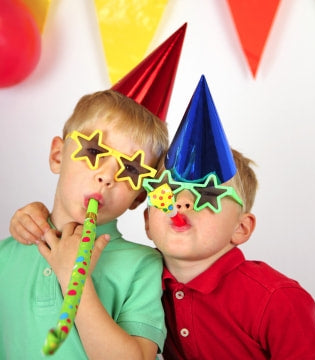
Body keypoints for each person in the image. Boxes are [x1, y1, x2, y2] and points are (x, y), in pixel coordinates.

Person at [8, 75, 315, 359]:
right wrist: (34, 219)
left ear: (242, 228)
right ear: (148, 216)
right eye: (167, 194)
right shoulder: (164, 284)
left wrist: (73, 282)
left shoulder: (274, 298)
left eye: (206, 195)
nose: (180, 206)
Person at [1, 23, 187, 360]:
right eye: (93, 153)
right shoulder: (7, 253)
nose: (106, 177)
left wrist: (76, 279)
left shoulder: (142, 264)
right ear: (58, 155)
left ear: (139, 197)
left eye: (130, 170)